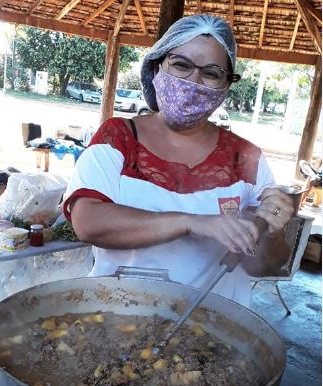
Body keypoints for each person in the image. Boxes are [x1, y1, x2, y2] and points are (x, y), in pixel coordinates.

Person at [63, 14, 293, 308]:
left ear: (226, 85)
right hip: (117, 315)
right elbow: (88, 223)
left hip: (214, 326)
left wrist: (271, 233)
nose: (193, 82)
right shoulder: (119, 138)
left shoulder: (246, 158)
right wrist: (190, 222)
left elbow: (265, 266)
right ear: (157, 66)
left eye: (211, 73)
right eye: (181, 65)